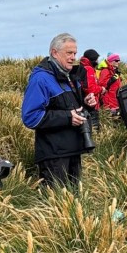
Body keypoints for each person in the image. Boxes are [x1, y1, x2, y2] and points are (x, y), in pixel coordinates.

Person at [21, 33, 98, 187]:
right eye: (69, 53)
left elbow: (72, 107)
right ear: (54, 53)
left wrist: (87, 103)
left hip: (73, 150)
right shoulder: (41, 79)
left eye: (75, 53)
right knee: (54, 204)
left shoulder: (69, 76)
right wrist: (68, 117)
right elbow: (30, 117)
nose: (73, 57)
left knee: (73, 203)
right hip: (54, 156)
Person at [80, 48, 102, 131]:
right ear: (93, 59)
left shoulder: (82, 67)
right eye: (96, 59)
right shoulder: (88, 69)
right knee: (94, 129)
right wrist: (101, 89)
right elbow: (90, 88)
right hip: (91, 105)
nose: (97, 61)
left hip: (85, 104)